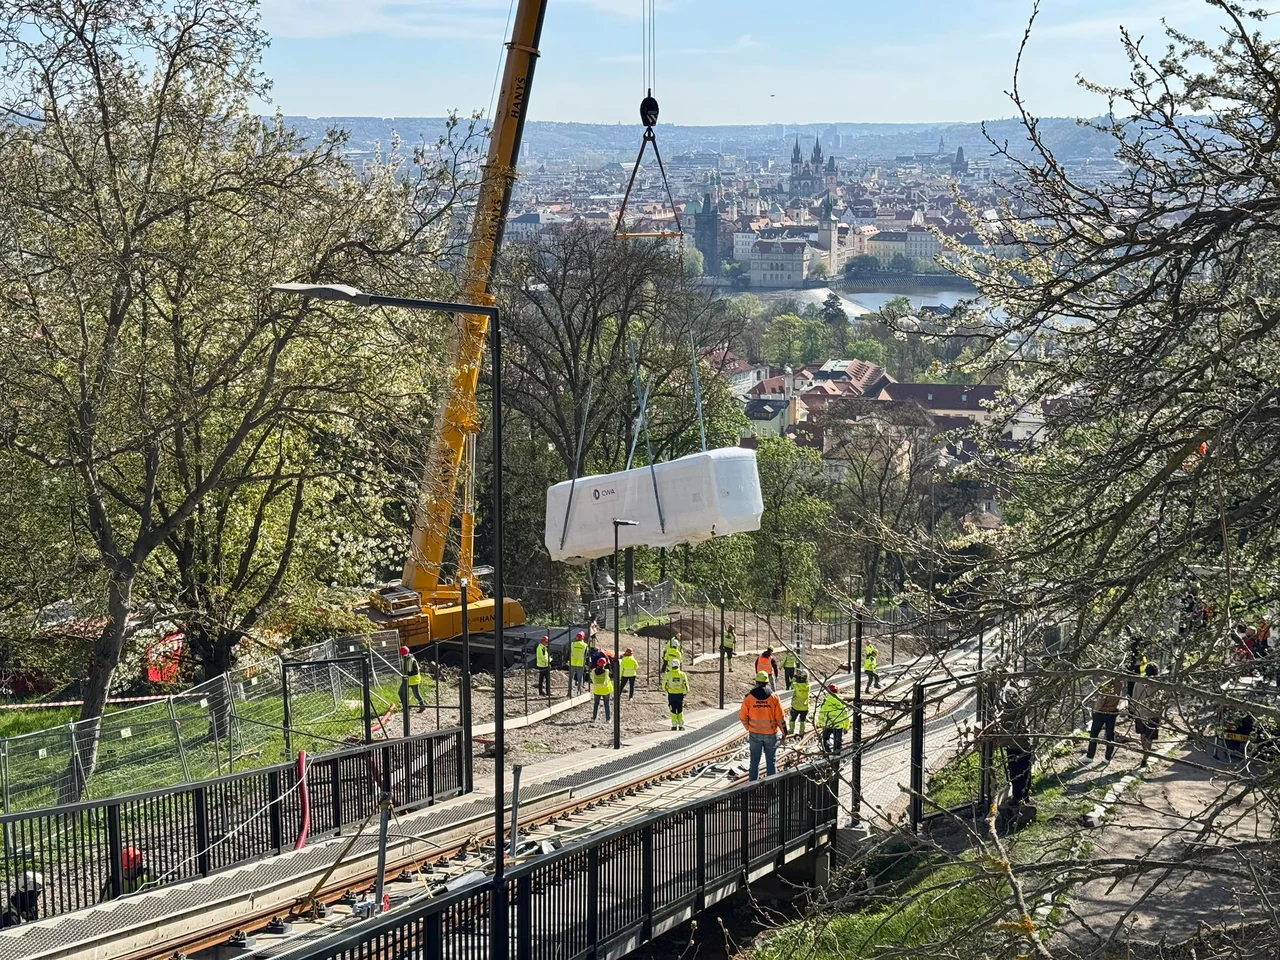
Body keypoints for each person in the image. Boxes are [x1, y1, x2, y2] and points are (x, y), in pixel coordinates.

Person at [739, 671, 786, 780]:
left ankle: (753, 786)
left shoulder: (749, 697)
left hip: (755, 734)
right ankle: (772, 786)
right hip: (771, 734)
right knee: (771, 761)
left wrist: (748, 727)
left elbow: (743, 716)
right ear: (767, 682)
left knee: (754, 762)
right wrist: (784, 733)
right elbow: (780, 718)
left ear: (756, 682)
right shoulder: (774, 697)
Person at [1130, 663, 1163, 766]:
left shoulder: (1138, 683)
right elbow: (1161, 700)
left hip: (1140, 713)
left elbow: (1134, 697)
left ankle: (1145, 753)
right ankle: (1145, 757)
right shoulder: (1158, 684)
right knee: (1150, 737)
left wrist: (1133, 710)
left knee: (1143, 735)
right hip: (1153, 714)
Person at [1086, 676, 1122, 763]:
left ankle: (1090, 756)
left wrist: (1095, 711)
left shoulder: (1106, 687)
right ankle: (1107, 758)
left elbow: (1100, 701)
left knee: (1094, 734)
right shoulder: (1119, 684)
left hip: (1101, 713)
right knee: (1110, 735)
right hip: (1112, 712)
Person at [817, 683, 851, 753]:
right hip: (838, 726)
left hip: (828, 725)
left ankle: (827, 752)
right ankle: (837, 754)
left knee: (826, 739)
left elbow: (822, 714)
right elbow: (845, 715)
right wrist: (846, 727)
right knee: (837, 741)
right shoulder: (841, 701)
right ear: (837, 691)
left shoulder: (826, 701)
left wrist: (819, 723)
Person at [662, 657, 690, 730]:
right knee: (680, 710)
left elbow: (663, 684)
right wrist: (686, 691)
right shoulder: (682, 674)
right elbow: (686, 684)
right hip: (680, 695)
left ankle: (674, 725)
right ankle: (681, 725)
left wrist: (665, 689)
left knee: (673, 709)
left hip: (671, 695)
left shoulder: (668, 674)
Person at [400, 646, 426, 711]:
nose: (402, 656)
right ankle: (406, 707)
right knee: (401, 693)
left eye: (403, 655)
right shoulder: (404, 659)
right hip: (407, 680)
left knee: (416, 695)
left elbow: (415, 672)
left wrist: (407, 674)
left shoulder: (412, 660)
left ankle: (422, 705)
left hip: (414, 680)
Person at [788, 669, 812, 735]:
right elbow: (805, 681)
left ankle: (791, 730)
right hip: (805, 706)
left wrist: (795, 676)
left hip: (796, 706)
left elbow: (791, 684)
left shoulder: (796, 685)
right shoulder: (808, 686)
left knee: (792, 719)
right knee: (803, 720)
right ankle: (801, 732)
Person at [569, 630, 589, 695]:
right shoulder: (585, 645)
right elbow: (586, 655)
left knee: (571, 677)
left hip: (572, 662)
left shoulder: (572, 644)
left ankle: (570, 691)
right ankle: (579, 691)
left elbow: (570, 652)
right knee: (580, 677)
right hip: (580, 663)